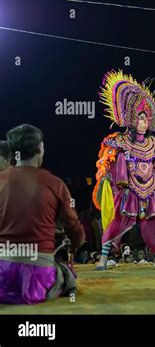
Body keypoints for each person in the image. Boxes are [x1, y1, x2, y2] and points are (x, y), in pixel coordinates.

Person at [92, 70, 155, 270]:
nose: (145, 123)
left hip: (150, 191)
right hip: (128, 191)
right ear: (132, 119)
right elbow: (106, 160)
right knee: (118, 223)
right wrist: (104, 174)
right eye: (141, 118)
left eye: (147, 119)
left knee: (152, 224)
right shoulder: (119, 140)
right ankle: (103, 259)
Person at [0, 124, 85, 304]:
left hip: (2, 272)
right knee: (65, 273)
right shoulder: (55, 184)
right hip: (38, 272)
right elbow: (74, 227)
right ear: (40, 148)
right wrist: (75, 245)